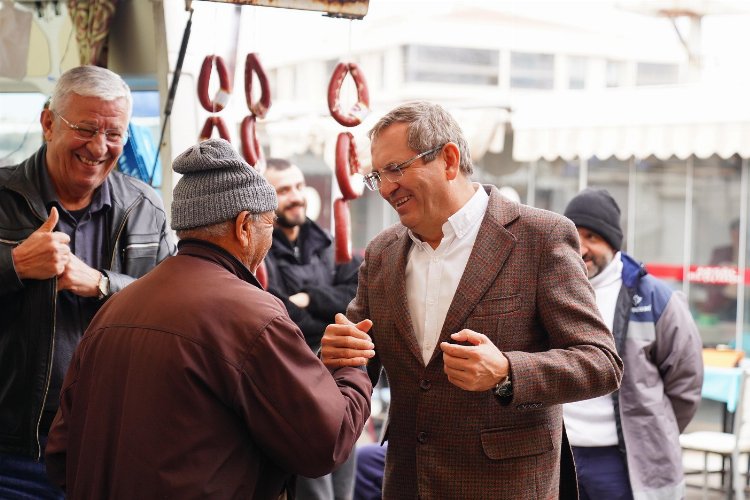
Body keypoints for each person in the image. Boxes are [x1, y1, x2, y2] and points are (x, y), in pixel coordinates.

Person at [320, 100, 624, 499]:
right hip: (407, 482)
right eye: (378, 176)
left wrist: (506, 371)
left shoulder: (540, 237)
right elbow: (360, 356)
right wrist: (339, 353)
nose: (387, 188)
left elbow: (601, 362)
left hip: (506, 487)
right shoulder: (382, 253)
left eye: (396, 169)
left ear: (448, 159)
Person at [44, 138, 373, 499]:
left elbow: (61, 452)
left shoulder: (115, 308)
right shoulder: (252, 315)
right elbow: (325, 443)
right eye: (269, 224)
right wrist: (351, 369)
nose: (271, 235)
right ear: (244, 227)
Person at [0, 65, 176, 499]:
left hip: (113, 445)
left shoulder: (144, 207)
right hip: (13, 451)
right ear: (47, 123)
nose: (98, 147)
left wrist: (101, 284)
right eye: (85, 129)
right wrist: (15, 264)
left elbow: (177, 307)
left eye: (114, 134)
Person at [562, 187, 703, 500]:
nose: (581, 248)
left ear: (613, 243)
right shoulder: (552, 289)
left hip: (623, 464)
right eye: (573, 235)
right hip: (561, 455)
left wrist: (652, 430)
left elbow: (686, 383)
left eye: (593, 237)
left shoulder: (653, 298)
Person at [263, 157, 362, 499]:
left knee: (344, 473)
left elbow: (357, 298)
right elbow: (278, 312)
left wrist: (309, 297)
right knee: (313, 482)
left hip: (339, 374)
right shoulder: (261, 254)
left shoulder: (333, 243)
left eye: (298, 186)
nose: (296, 196)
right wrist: (328, 310)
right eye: (283, 190)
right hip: (296, 377)